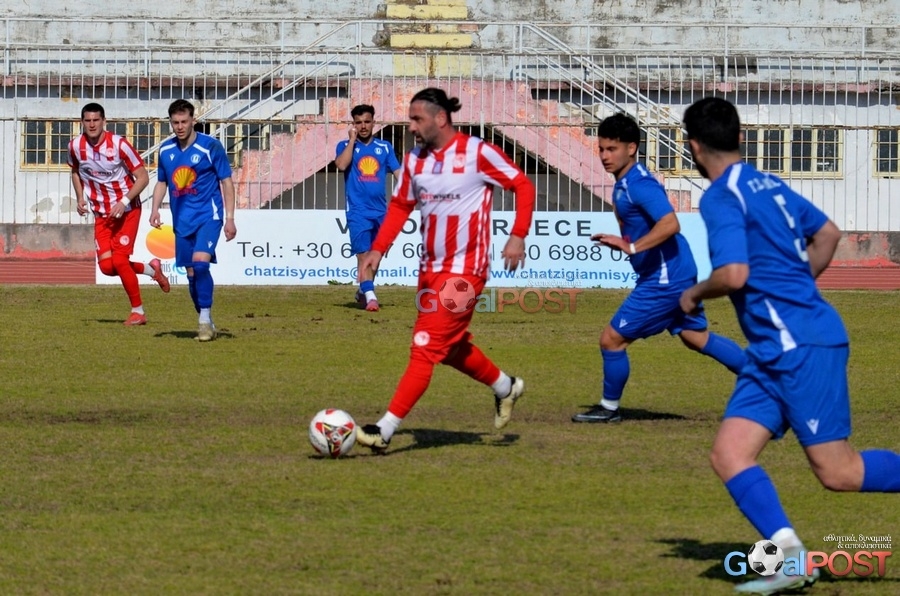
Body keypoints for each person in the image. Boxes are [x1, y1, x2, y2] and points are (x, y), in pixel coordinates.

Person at [680, 97, 900, 595]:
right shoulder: (768, 183)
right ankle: (792, 560)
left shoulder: (720, 197)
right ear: (738, 137)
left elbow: (734, 274)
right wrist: (798, 287)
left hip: (799, 347)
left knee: (839, 473)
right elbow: (828, 234)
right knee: (730, 454)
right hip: (772, 350)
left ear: (693, 146)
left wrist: (693, 294)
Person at [354, 87, 536, 453]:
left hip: (466, 272)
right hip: (430, 271)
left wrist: (518, 235)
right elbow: (400, 205)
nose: (410, 127)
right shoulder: (414, 161)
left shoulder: (477, 152)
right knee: (448, 346)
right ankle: (505, 387)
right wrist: (378, 249)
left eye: (416, 119)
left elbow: (522, 184)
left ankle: (383, 430)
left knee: (424, 346)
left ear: (440, 118)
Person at [571, 113, 746, 424]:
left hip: (665, 278)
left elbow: (670, 223)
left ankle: (609, 409)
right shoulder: (626, 182)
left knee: (612, 340)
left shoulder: (638, 184)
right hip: (677, 271)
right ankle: (770, 383)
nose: (604, 156)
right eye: (601, 149)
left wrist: (632, 247)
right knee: (696, 337)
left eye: (612, 149)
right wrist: (628, 244)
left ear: (631, 148)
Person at [69, 102, 170, 326]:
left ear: (104, 121)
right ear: (82, 122)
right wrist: (80, 197)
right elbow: (75, 171)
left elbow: (143, 177)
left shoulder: (119, 144)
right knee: (107, 267)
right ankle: (152, 270)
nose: (92, 124)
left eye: (96, 120)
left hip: (127, 210)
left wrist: (123, 202)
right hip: (101, 214)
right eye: (88, 120)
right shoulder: (75, 146)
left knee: (120, 260)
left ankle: (138, 312)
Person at [149, 99, 237, 342]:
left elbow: (226, 182)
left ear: (193, 121)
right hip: (182, 220)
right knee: (190, 274)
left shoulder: (210, 146)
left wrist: (230, 218)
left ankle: (204, 321)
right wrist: (155, 209)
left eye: (184, 122)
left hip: (209, 216)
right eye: (175, 122)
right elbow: (162, 182)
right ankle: (206, 319)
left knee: (200, 264)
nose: (180, 127)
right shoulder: (166, 151)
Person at [334, 104, 401, 312]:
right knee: (363, 255)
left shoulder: (385, 147)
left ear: (374, 123)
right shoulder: (345, 145)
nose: (363, 126)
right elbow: (341, 165)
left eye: (367, 122)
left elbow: (398, 173)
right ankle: (371, 297)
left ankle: (363, 290)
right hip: (357, 211)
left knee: (375, 256)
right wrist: (352, 141)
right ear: (353, 124)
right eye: (358, 122)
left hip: (381, 211)